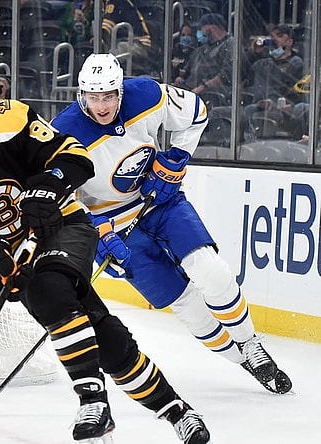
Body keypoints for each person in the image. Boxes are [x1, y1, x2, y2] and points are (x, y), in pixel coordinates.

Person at [0, 60, 211, 443]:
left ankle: (92, 402)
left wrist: (49, 185)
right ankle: (178, 411)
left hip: (66, 227)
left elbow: (74, 156)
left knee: (51, 290)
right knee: (104, 334)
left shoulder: (10, 119)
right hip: (11, 257)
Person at [51, 53, 292, 396]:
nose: (101, 105)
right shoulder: (63, 133)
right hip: (112, 227)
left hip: (159, 200)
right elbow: (56, 196)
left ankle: (251, 343)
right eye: (93, 97)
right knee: (185, 304)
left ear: (120, 91)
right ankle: (242, 361)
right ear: (81, 95)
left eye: (108, 96)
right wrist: (94, 230)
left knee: (210, 270)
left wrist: (176, 158)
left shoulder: (146, 95)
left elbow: (197, 113)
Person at [242, 24, 305, 137]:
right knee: (248, 110)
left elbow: (292, 89)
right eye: (272, 36)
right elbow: (242, 73)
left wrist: (275, 102)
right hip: (261, 105)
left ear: (289, 42)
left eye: (279, 36)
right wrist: (253, 52)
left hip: (283, 107)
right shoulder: (264, 63)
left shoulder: (296, 63)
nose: (274, 39)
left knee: (268, 114)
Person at [174, 13, 234, 106]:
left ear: (213, 28)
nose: (200, 31)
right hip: (191, 91)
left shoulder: (230, 45)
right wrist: (181, 78)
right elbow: (186, 70)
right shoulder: (202, 49)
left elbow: (226, 74)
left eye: (202, 28)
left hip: (212, 95)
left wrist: (203, 87)